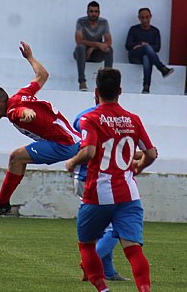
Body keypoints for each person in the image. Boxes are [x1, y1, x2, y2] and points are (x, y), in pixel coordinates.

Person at [65, 68, 157, 292]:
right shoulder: (133, 119)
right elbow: (152, 153)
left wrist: (71, 163)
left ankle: (103, 290)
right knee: (133, 249)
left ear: (96, 91)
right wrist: (138, 166)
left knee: (86, 245)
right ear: (120, 91)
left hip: (98, 194)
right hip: (129, 194)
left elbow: (88, 152)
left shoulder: (90, 118)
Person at [0, 41, 81, 220]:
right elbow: (42, 75)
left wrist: (28, 113)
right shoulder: (21, 94)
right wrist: (30, 57)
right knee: (18, 159)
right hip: (72, 140)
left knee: (16, 157)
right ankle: (2, 199)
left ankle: (2, 204)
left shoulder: (12, 112)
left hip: (63, 145)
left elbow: (21, 113)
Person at [72, 103, 130, 283]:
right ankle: (90, 262)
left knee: (103, 226)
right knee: (117, 227)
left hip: (82, 177)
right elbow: (108, 150)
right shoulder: (117, 120)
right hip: (99, 179)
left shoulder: (81, 116)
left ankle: (107, 271)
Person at [125, 7, 174, 94]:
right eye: (142, 18)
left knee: (146, 56)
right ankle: (162, 68)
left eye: (147, 17)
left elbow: (157, 48)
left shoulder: (155, 31)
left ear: (150, 16)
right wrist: (141, 44)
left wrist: (144, 46)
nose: (145, 20)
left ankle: (146, 87)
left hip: (147, 57)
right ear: (139, 18)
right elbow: (128, 46)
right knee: (146, 48)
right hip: (134, 57)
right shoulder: (133, 29)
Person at [74, 1, 113, 91]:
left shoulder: (104, 22)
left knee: (109, 49)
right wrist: (97, 44)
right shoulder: (81, 21)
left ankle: (108, 82)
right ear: (87, 12)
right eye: (91, 11)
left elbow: (108, 41)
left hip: (96, 53)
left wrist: (93, 47)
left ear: (99, 13)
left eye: (96, 11)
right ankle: (82, 81)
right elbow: (78, 40)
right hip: (82, 53)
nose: (93, 14)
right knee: (80, 47)